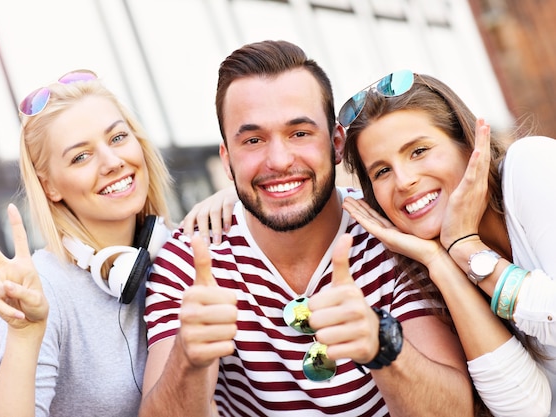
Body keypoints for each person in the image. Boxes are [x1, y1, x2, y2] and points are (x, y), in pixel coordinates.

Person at [140, 40, 475, 417]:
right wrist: (189, 359)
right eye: (253, 140)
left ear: (335, 143)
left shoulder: (393, 234)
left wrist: (380, 344)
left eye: (299, 133)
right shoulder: (188, 261)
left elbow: (455, 410)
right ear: (227, 160)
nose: (279, 160)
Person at [338, 70, 553, 416]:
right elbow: (527, 409)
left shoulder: (531, 167)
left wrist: (469, 249)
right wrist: (441, 261)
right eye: (382, 171)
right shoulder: (429, 263)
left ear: (468, 144)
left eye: (419, 151)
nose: (404, 180)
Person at [0, 69, 176, 416]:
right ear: (50, 187)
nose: (112, 162)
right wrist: (24, 336)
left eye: (118, 138)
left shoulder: (184, 249)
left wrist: (232, 204)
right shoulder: (45, 288)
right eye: (81, 156)